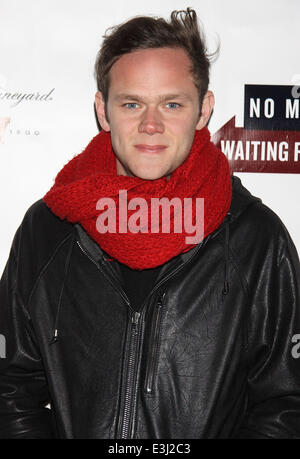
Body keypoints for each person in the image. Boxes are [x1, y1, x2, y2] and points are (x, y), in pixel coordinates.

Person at [0, 8, 300, 439]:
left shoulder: (256, 238)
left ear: (203, 110)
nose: (151, 125)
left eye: (172, 103)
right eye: (132, 103)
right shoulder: (48, 229)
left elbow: (285, 405)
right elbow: (11, 387)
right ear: (104, 111)